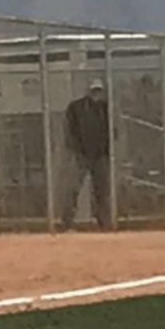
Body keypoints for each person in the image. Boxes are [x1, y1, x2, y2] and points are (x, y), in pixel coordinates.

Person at [61, 80, 113, 232]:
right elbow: (69, 129)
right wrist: (75, 149)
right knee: (72, 189)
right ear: (88, 91)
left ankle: (104, 224)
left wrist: (106, 150)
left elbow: (112, 129)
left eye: (98, 91)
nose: (96, 94)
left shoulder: (104, 108)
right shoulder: (76, 107)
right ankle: (67, 224)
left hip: (100, 155)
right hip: (81, 155)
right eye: (93, 91)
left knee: (102, 191)